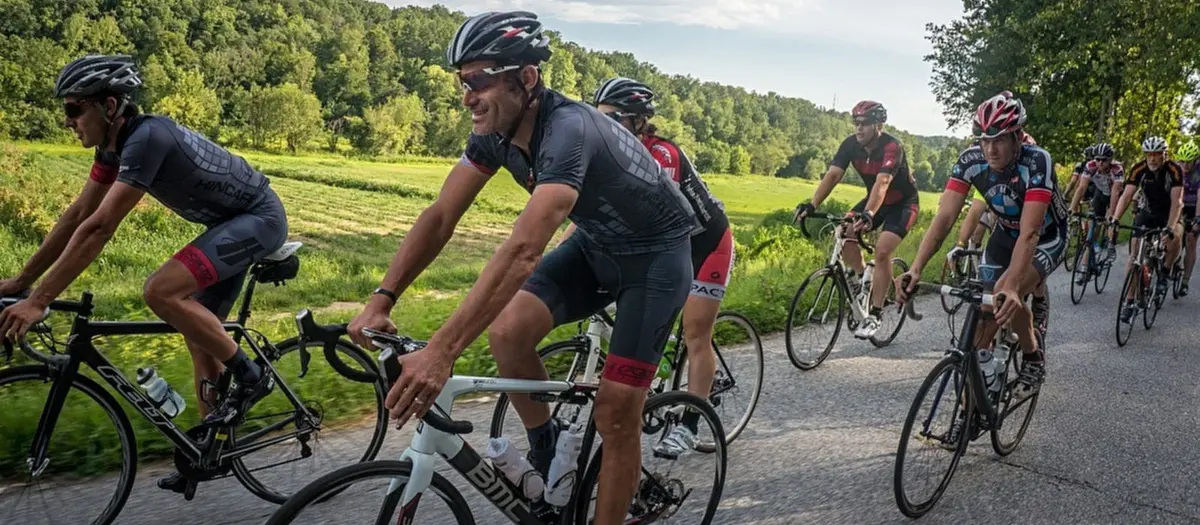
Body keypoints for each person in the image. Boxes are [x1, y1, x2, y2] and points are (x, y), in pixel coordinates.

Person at [345, 12, 698, 524]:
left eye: (478, 80)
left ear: (525, 79)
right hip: (598, 247)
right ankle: (549, 454)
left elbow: (524, 249)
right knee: (507, 334)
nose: (466, 95)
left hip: (656, 261)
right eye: (461, 81)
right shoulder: (493, 132)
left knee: (617, 412)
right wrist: (382, 299)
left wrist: (442, 352)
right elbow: (442, 215)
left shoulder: (568, 129)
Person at [0, 55, 288, 492]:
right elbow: (79, 213)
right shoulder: (111, 149)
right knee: (198, 333)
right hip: (227, 225)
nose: (67, 120)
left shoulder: (148, 137)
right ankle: (209, 450)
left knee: (160, 291)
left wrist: (40, 301)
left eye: (74, 109)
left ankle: (252, 376)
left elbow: (99, 229)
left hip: (259, 218)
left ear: (109, 106)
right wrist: (22, 283)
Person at [586, 76, 733, 457]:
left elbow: (649, 219)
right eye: (598, 118)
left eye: (613, 119)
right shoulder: (605, 152)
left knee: (695, 331)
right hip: (668, 245)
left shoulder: (661, 154)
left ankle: (689, 423)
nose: (603, 127)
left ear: (637, 121)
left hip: (706, 244)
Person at [897, 92, 1068, 408]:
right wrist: (916, 268)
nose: (990, 148)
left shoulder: (1036, 160)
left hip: (1047, 236)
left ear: (1017, 137)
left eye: (1000, 139)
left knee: (1005, 292)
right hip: (1004, 234)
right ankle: (972, 407)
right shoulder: (970, 160)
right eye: (984, 139)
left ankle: (1033, 358)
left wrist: (1015, 285)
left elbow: (1030, 233)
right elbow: (945, 217)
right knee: (981, 318)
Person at [793, 100, 919, 339]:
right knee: (842, 231)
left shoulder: (892, 147)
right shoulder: (850, 145)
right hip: (873, 200)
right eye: (856, 123)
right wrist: (812, 204)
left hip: (902, 204)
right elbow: (833, 175)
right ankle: (863, 278)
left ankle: (876, 315)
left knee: (882, 251)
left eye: (865, 124)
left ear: (878, 125)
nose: (859, 129)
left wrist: (869, 215)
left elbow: (883, 183)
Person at [1111, 136, 1185, 322]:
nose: (1152, 159)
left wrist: (1169, 228)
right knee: (1135, 256)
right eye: (1149, 154)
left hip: (1170, 213)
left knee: (1175, 236)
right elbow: (1126, 196)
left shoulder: (1174, 170)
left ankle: (1165, 271)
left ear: (1164, 155)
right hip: (1148, 212)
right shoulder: (1139, 169)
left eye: (1157, 155)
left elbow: (1177, 202)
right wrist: (1114, 219)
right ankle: (1129, 302)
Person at [1068, 142, 1123, 267]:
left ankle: (1111, 244)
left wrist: (1112, 214)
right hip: (1100, 193)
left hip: (1115, 195)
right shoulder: (1090, 166)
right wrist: (1072, 207)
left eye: (1104, 160)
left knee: (1112, 221)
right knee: (1093, 226)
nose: (1100, 163)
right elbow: (1081, 187)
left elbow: (1115, 193)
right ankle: (1085, 264)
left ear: (1110, 160)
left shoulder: (1117, 169)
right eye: (1097, 159)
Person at [1175, 140, 1200, 295]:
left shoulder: (1198, 171)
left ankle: (1185, 280)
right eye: (1182, 161)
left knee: (1191, 241)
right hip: (1180, 205)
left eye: (1188, 162)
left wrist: (1198, 218)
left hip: (1194, 207)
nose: (1185, 166)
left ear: (1196, 161)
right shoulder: (1176, 169)